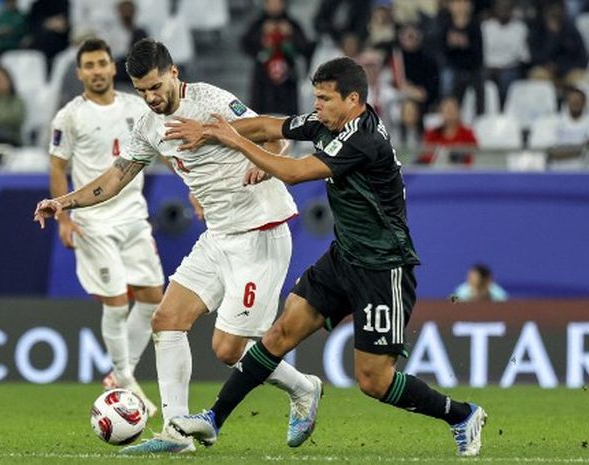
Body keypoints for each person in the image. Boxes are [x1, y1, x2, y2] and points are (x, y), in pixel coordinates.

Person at [166, 56, 488, 457]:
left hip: (382, 267)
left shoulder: (363, 140)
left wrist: (231, 140)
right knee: (279, 334)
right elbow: (270, 125)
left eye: (324, 98)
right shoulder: (329, 121)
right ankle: (213, 419)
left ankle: (461, 415)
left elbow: (296, 172)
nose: (316, 105)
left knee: (374, 380)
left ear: (352, 99)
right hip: (344, 256)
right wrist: (212, 129)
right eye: (315, 97)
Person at [33, 39, 321, 454]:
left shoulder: (209, 100)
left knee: (227, 350)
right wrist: (63, 202)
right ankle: (175, 432)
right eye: (141, 89)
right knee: (167, 320)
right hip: (219, 236)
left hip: (260, 229)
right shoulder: (148, 127)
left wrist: (265, 161)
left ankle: (304, 388)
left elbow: (272, 132)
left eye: (155, 86)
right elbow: (114, 179)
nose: (150, 97)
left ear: (173, 74)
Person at [47, 38, 165, 414]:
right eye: (89, 65)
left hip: (133, 216)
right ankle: (123, 375)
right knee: (116, 301)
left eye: (102, 63)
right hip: (93, 221)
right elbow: (57, 168)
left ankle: (121, 372)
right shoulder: (69, 116)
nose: (97, 71)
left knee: (152, 300)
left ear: (112, 67)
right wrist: (64, 218)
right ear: (79, 72)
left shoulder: (136, 106)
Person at [240, 0, 312, 115]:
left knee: (289, 117)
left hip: (288, 78)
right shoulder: (258, 24)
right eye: (271, 2)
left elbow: (305, 47)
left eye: (278, 2)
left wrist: (290, 35)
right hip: (263, 78)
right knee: (260, 115)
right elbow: (246, 45)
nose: (274, 6)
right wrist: (261, 35)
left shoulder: (292, 24)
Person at [420, 96, 478, 165]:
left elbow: (475, 154)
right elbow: (425, 156)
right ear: (441, 113)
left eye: (452, 110)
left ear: (458, 112)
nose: (450, 113)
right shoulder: (432, 133)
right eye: (447, 110)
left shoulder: (467, 133)